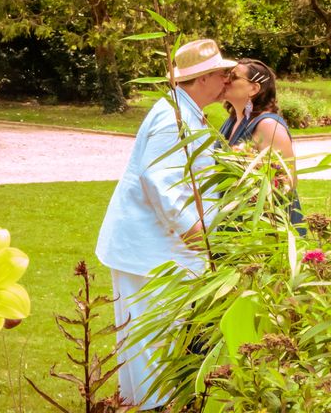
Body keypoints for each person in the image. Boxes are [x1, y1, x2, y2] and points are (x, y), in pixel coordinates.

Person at [95, 39, 236, 411]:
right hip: (150, 250)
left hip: (156, 248)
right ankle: (150, 406)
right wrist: (195, 234)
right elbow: (157, 179)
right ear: (202, 78)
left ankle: (146, 403)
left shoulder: (185, 112)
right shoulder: (173, 117)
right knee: (149, 337)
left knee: (151, 335)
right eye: (220, 74)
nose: (225, 80)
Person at [219, 58, 305, 230]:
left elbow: (286, 183)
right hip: (236, 225)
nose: (225, 80)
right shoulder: (232, 121)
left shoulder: (268, 126)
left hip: (265, 229)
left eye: (233, 76)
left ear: (254, 88)